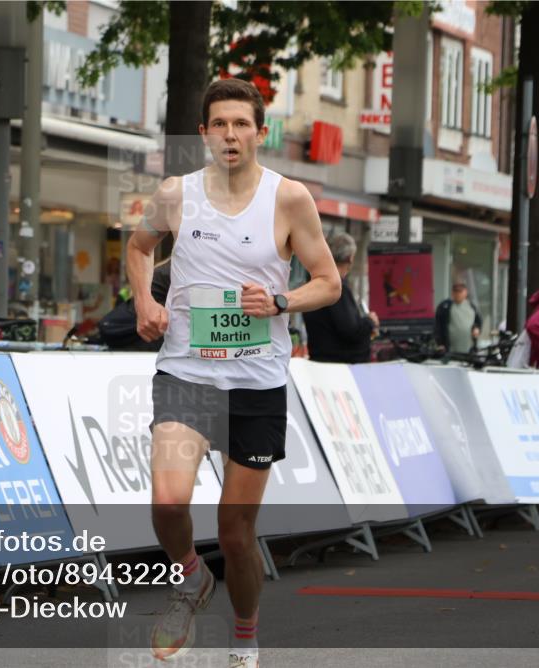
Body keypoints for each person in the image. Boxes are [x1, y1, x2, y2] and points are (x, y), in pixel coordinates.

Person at [126, 78, 340, 668]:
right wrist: (145, 301)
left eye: (240, 124)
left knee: (236, 533)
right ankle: (191, 578)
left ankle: (244, 637)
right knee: (169, 503)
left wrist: (280, 303)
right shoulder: (177, 193)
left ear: (259, 132)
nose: (229, 135)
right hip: (187, 371)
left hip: (257, 382)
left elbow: (329, 281)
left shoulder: (289, 198)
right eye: (218, 124)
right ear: (202, 133)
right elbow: (140, 248)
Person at [303, 233, 379, 364]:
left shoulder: (314, 284)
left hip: (318, 362)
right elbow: (350, 330)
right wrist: (370, 321)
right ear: (350, 258)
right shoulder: (338, 288)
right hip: (340, 367)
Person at [433, 282, 482, 354]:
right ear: (452, 293)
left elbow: (478, 321)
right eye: (455, 291)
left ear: (466, 292)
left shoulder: (471, 306)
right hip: (450, 349)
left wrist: (477, 328)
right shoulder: (445, 306)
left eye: (460, 291)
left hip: (468, 349)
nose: (458, 294)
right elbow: (438, 326)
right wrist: (440, 343)